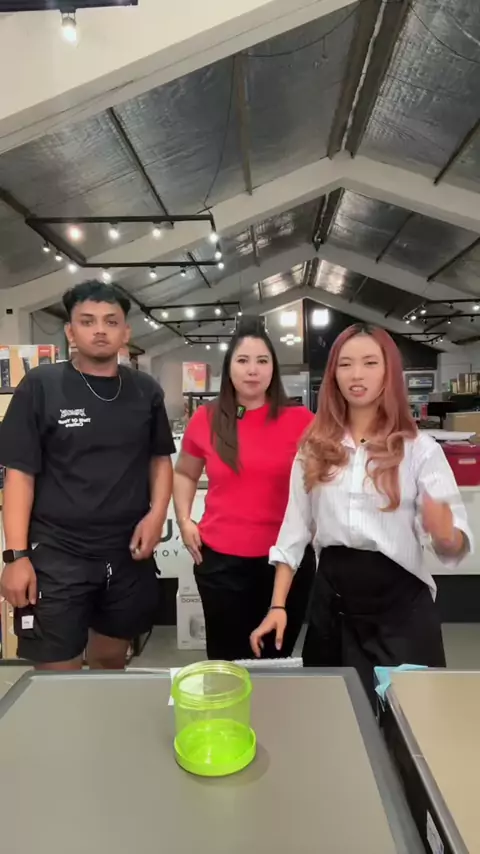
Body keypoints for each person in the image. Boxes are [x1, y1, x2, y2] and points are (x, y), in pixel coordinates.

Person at [251, 324, 472, 704]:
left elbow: (454, 545)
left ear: (389, 372)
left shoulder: (419, 450)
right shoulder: (314, 448)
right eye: (346, 364)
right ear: (333, 375)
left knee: (405, 718)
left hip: (401, 611)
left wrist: (444, 533)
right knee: (336, 715)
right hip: (332, 608)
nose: (357, 375)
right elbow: (294, 531)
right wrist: (277, 606)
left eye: (370, 363)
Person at [0, 280, 175, 671]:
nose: (100, 330)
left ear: (125, 332)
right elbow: (19, 475)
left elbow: (159, 459)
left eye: (111, 321)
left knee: (111, 662)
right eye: (87, 321)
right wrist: (16, 557)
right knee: (57, 670)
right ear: (70, 331)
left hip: (127, 555)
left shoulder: (145, 391)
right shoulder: (41, 386)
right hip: (58, 556)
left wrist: (156, 515)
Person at [173, 319, 314, 660]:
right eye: (243, 360)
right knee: (226, 661)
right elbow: (185, 473)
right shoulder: (206, 418)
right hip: (220, 563)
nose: (253, 370)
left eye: (262, 361)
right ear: (229, 367)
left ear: (273, 368)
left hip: (284, 564)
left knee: (275, 660)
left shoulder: (301, 420)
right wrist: (184, 519)